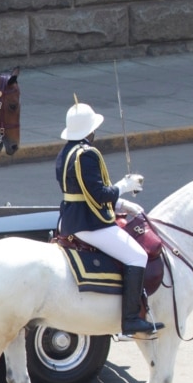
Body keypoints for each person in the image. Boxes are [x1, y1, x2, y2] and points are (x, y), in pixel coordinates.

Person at [56, 100, 164, 339]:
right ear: (90, 131)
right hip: (88, 222)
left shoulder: (65, 152)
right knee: (137, 256)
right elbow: (98, 194)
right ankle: (131, 320)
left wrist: (120, 204)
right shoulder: (87, 154)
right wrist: (123, 187)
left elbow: (82, 193)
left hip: (71, 218)